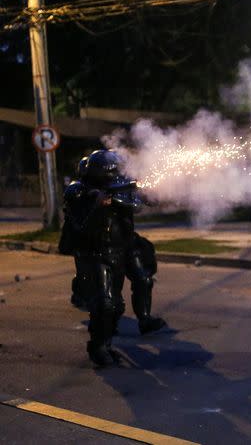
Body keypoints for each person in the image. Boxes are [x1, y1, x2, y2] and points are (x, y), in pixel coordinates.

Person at [63, 150, 165, 366]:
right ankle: (100, 346)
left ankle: (136, 323)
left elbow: (140, 202)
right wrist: (97, 204)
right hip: (97, 251)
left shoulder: (122, 186)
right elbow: (80, 222)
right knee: (107, 303)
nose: (113, 176)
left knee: (125, 295)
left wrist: (149, 191)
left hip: (121, 247)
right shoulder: (78, 190)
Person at [59, 156, 91, 309]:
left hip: (95, 235)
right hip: (80, 236)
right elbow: (72, 204)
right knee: (83, 269)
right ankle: (79, 294)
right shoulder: (76, 188)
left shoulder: (100, 188)